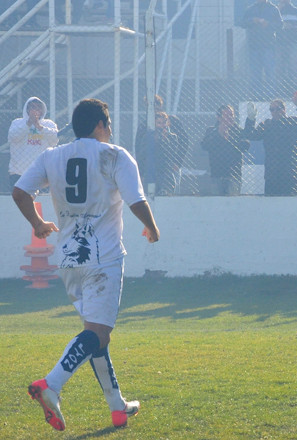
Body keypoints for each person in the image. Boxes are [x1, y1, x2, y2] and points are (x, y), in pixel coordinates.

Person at [12, 98, 160, 431]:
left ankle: (117, 407)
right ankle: (51, 385)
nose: (110, 130)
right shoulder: (115, 155)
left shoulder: (52, 156)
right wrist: (152, 226)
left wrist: (38, 223)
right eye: (107, 124)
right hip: (103, 257)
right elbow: (136, 199)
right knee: (97, 332)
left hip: (68, 259)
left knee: (96, 335)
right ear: (98, 125)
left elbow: (20, 192)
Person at [243, 99, 297, 195]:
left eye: (278, 109)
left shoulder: (293, 122)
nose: (275, 112)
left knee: (291, 202)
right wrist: (251, 119)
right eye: (272, 109)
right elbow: (251, 135)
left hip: (290, 172)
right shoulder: (267, 125)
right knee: (271, 203)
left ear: (284, 109)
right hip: (272, 172)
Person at [8, 97, 58, 187]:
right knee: (20, 199)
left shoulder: (49, 124)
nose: (36, 110)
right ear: (27, 109)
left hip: (42, 172)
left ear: (43, 110)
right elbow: (13, 137)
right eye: (32, 107)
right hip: (19, 172)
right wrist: (29, 123)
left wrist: (39, 126)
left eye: (38, 107)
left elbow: (55, 140)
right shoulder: (17, 122)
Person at [201, 105, 250, 196]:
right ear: (219, 117)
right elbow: (205, 145)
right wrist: (219, 134)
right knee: (217, 203)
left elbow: (246, 145)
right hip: (217, 174)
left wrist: (230, 139)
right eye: (227, 115)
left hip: (234, 174)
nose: (230, 118)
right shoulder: (212, 130)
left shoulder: (238, 130)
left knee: (233, 203)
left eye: (232, 115)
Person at [240, 0, 283, 99]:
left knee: (270, 73)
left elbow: (280, 25)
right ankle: (256, 96)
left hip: (268, 46)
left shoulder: (273, 9)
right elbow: (242, 23)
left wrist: (268, 24)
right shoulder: (250, 9)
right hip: (254, 46)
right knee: (255, 74)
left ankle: (270, 96)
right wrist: (252, 21)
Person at [135, 112, 181, 196]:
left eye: (164, 123)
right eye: (159, 123)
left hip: (165, 172)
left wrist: (164, 139)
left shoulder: (172, 137)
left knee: (166, 195)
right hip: (150, 171)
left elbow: (171, 154)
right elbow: (142, 155)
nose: (162, 125)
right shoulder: (147, 137)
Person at [275, 0, 297, 93]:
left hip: (292, 42)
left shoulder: (296, 11)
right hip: (279, 42)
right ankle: (278, 88)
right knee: (279, 65)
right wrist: (278, 10)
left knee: (294, 65)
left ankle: (295, 88)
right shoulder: (276, 11)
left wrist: (293, 27)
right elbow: (271, 23)